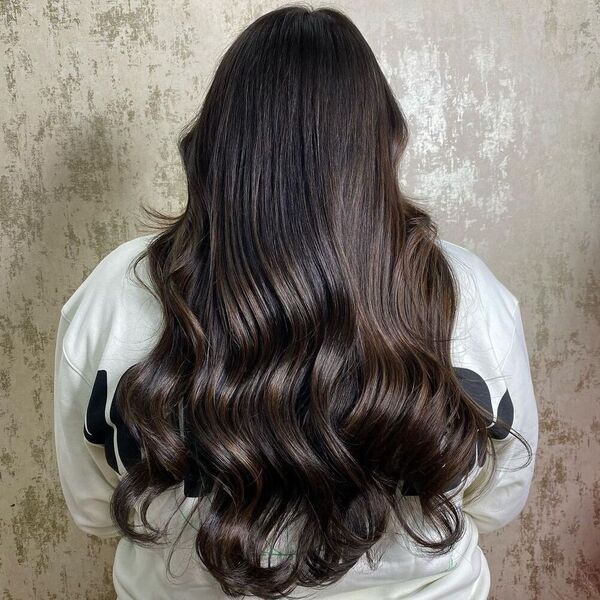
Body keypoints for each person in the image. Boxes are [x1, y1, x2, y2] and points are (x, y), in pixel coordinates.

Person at [53, 5, 539, 599]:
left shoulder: (114, 293)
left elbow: (95, 512)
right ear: (383, 144)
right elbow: (498, 500)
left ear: (215, 146)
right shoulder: (470, 294)